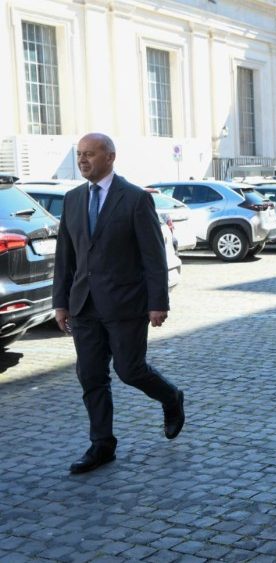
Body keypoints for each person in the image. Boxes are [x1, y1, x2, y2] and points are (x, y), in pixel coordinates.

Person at [53, 133, 185, 474]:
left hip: (125, 303)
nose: (83, 160)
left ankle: (170, 397)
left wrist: (158, 302)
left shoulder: (135, 198)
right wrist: (60, 303)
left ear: (110, 157)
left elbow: (152, 255)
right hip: (84, 305)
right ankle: (102, 445)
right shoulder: (72, 199)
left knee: (129, 370)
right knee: (90, 375)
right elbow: (65, 256)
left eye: (90, 154)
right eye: (79, 154)